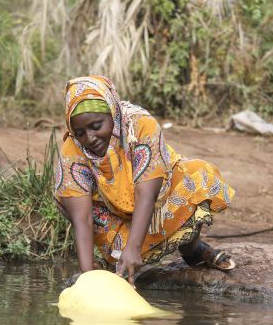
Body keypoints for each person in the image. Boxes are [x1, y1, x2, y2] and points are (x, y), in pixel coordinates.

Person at [54, 75, 235, 286]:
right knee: (65, 194)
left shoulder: (140, 127)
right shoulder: (73, 149)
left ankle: (191, 247)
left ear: (112, 112)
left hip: (158, 202)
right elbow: (82, 219)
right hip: (115, 215)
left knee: (199, 175)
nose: (89, 138)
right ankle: (112, 261)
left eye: (96, 125)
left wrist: (133, 248)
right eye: (80, 132)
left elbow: (146, 195)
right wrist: (86, 277)